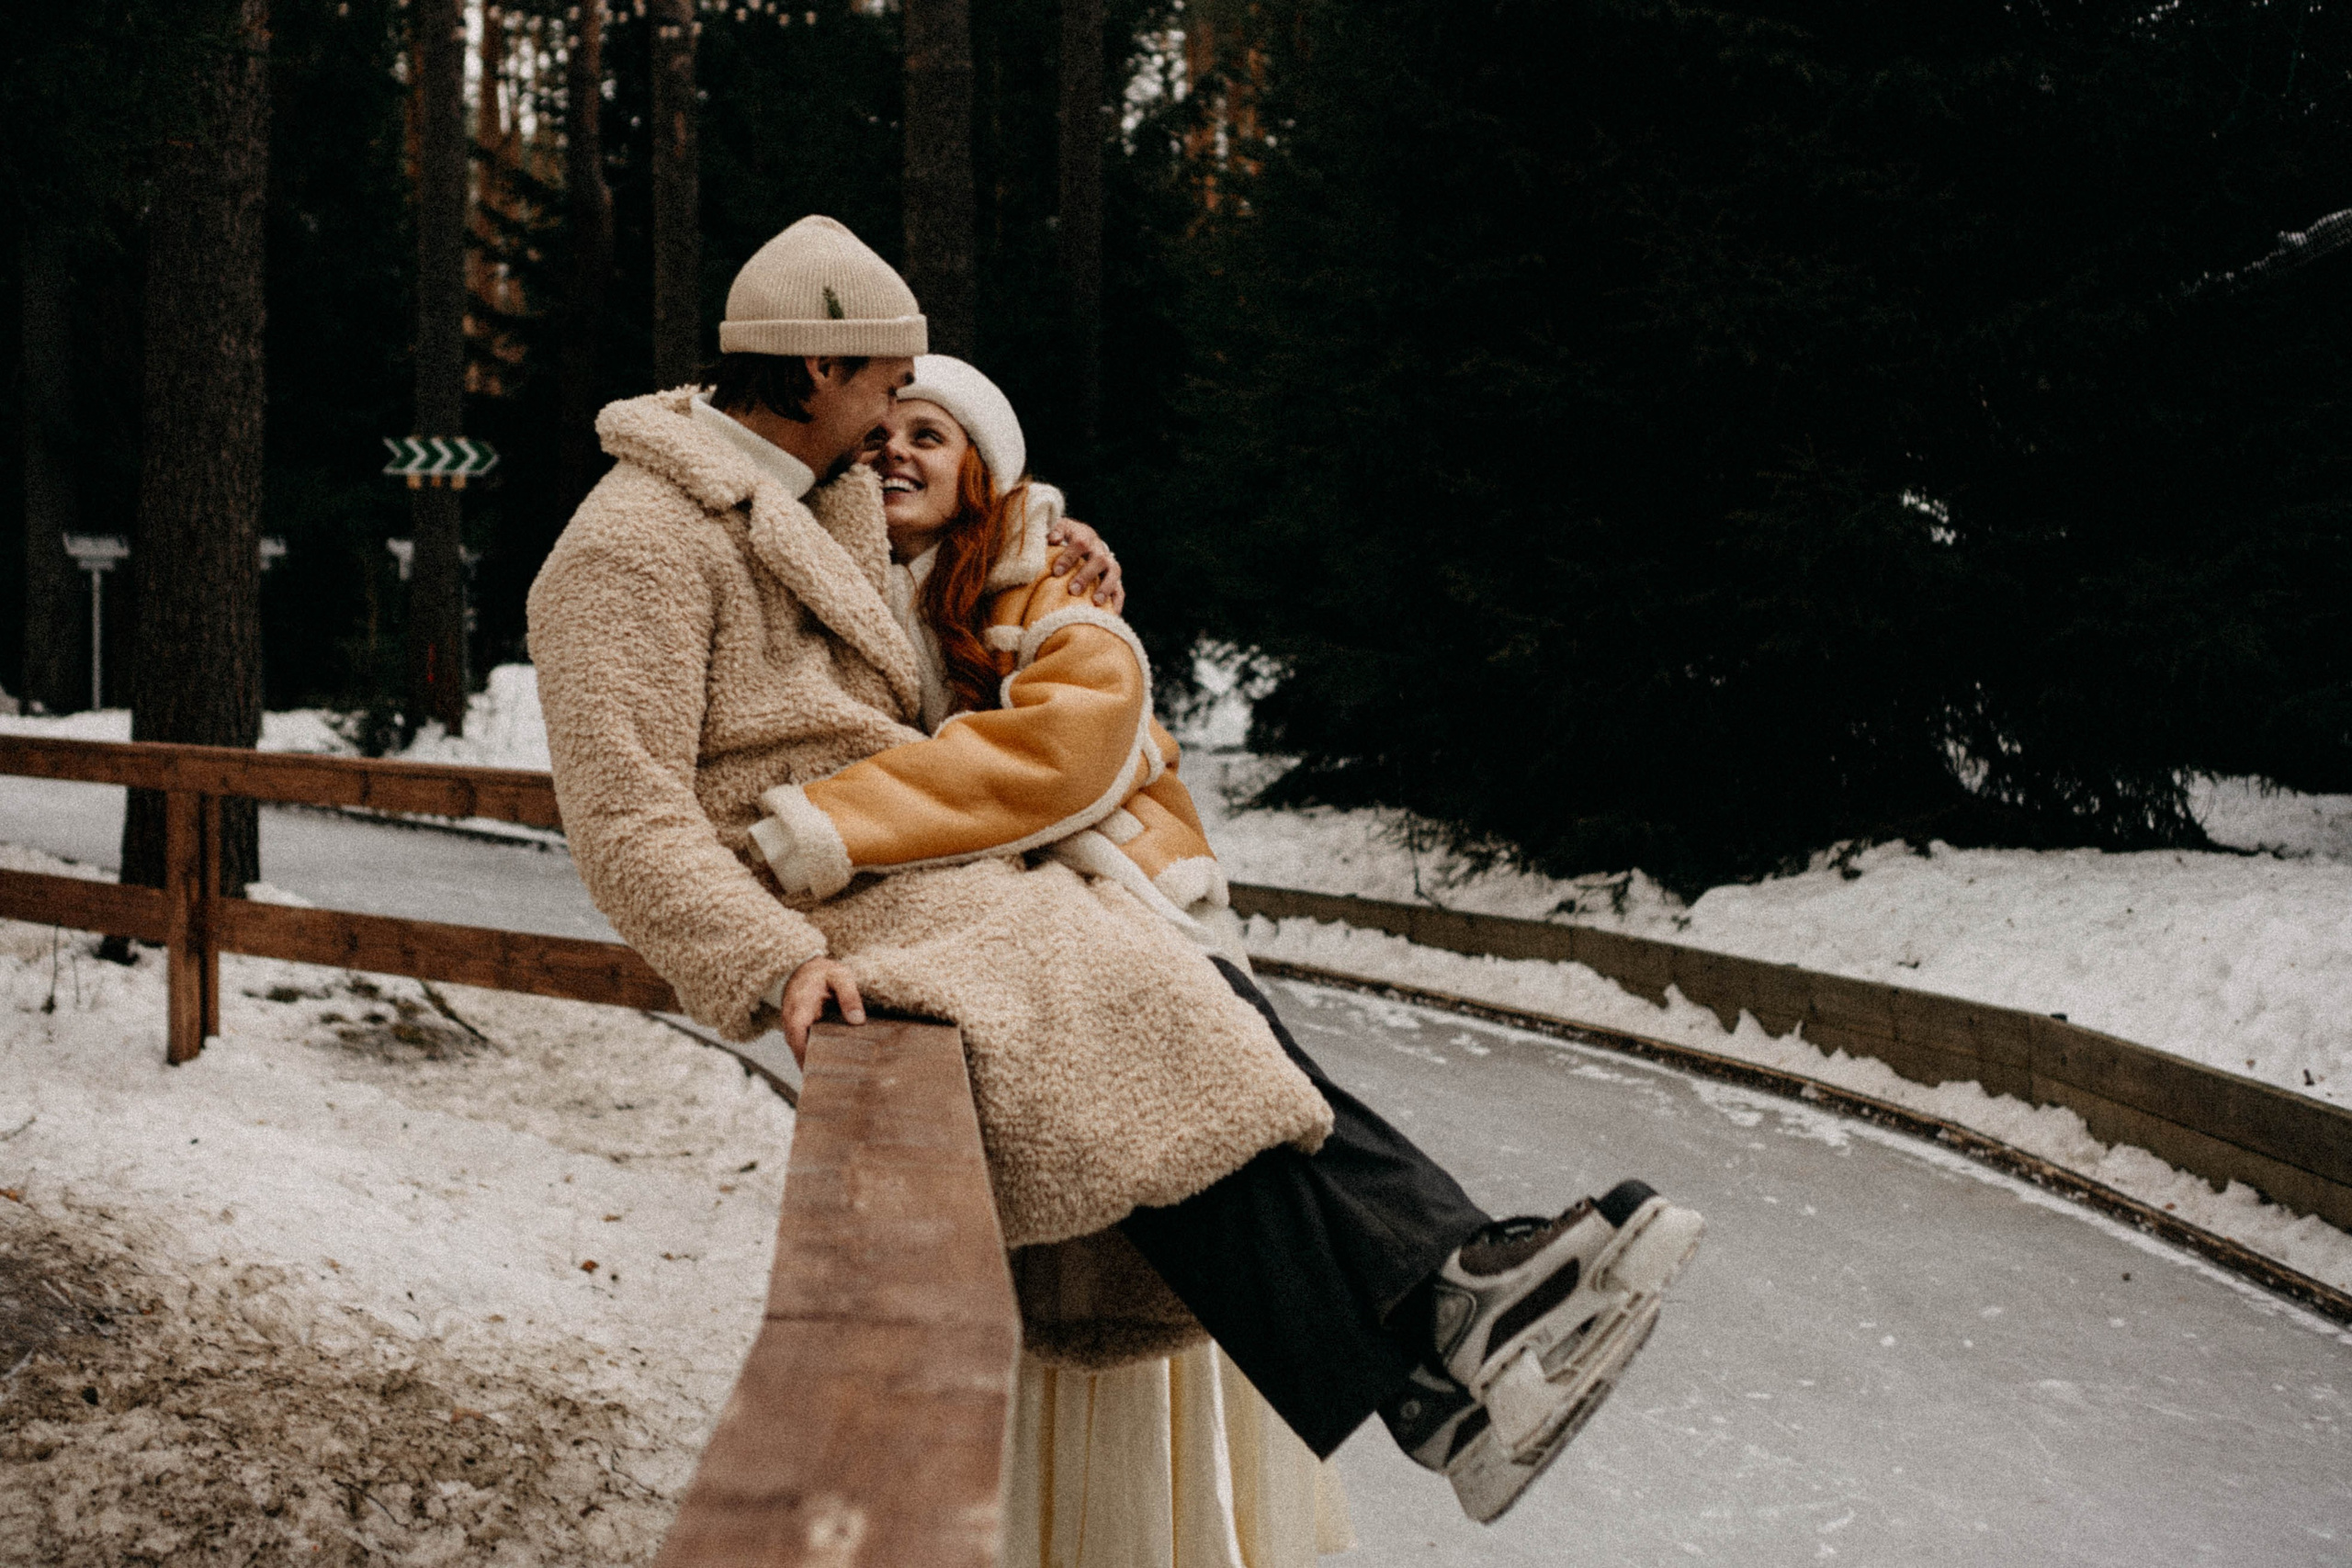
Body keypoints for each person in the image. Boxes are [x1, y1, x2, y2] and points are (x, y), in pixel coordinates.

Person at [526, 216, 1704, 1542]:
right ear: (808, 372)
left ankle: (1451, 1341)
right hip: (821, 893)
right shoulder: (629, 545)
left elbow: (951, 581)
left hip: (938, 874)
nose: (893, 414)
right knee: (1136, 1007)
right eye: (880, 384)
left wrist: (1052, 541)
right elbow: (627, 823)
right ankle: (1450, 1327)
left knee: (1176, 999)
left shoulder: (829, 490)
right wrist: (769, 961)